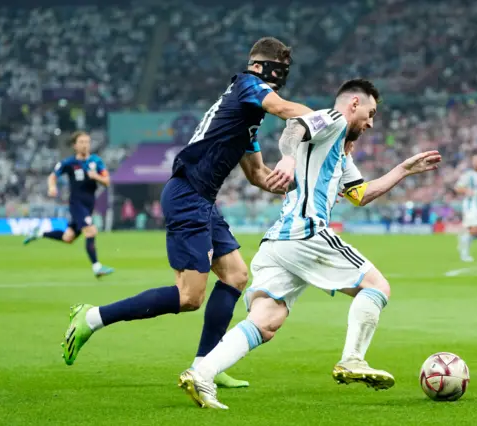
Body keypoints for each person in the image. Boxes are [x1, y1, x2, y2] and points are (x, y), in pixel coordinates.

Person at [61, 37, 313, 390]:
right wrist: (328, 118)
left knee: (236, 276)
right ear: (261, 67)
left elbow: (258, 176)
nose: (282, 75)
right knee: (188, 297)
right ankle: (91, 317)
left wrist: (297, 183)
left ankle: (206, 365)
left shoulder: (247, 119)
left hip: (202, 200)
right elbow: (285, 109)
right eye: (280, 68)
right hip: (187, 194)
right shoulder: (247, 85)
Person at [180, 79, 441, 409]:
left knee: (265, 321)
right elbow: (295, 127)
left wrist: (404, 169)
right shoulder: (332, 118)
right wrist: (288, 159)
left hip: (279, 243)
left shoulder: (338, 149)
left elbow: (360, 195)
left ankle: (201, 373)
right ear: (354, 104)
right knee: (377, 287)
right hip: (306, 232)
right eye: (371, 113)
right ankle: (353, 359)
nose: (371, 122)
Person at [24, 131, 114, 277]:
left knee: (68, 238)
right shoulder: (69, 163)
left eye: (87, 142)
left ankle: (39, 233)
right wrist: (52, 187)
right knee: (90, 230)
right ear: (75, 145)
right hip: (77, 204)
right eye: (82, 142)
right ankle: (97, 267)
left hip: (89, 204)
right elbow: (52, 176)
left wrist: (96, 176)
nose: (85, 145)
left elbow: (107, 181)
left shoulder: (96, 161)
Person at [455, 154, 477, 262]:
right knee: (473, 229)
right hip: (470, 205)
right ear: (473, 163)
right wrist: (466, 191)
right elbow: (457, 188)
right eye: (476, 161)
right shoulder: (468, 175)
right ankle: (464, 254)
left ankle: (463, 239)